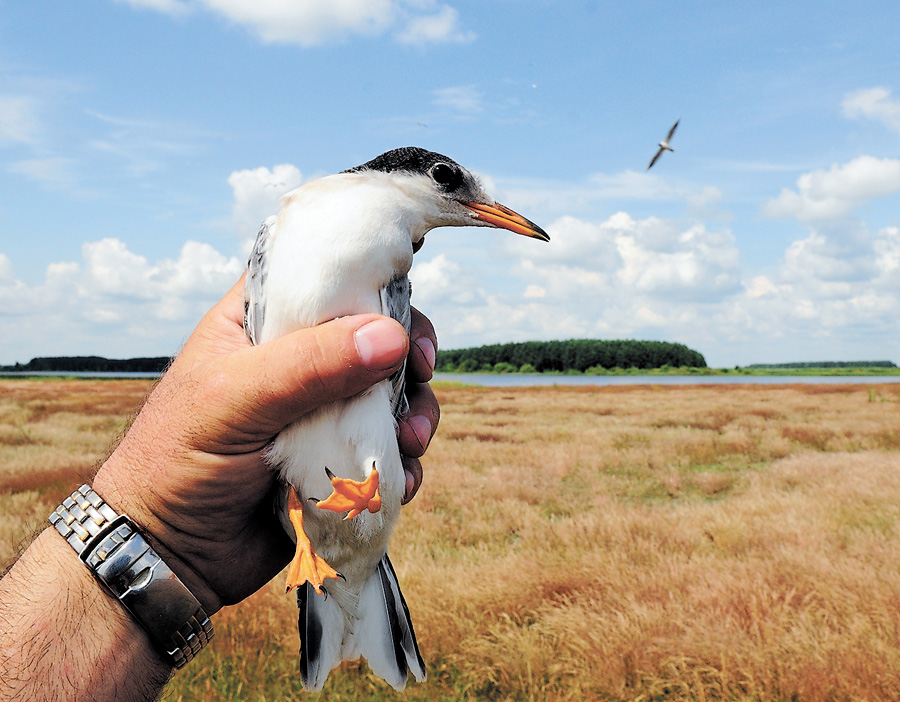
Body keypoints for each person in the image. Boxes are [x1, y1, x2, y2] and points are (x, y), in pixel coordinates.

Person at [0, 273, 440, 702]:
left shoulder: (387, 273)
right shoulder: (283, 249)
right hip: (300, 504)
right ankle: (315, 546)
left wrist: (171, 551)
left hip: (346, 498)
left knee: (369, 458)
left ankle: (355, 521)